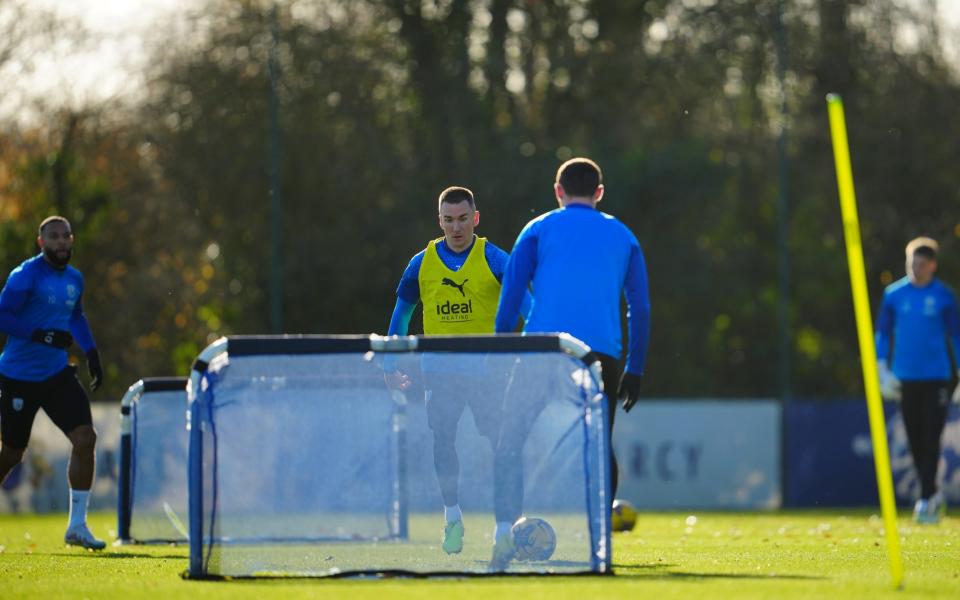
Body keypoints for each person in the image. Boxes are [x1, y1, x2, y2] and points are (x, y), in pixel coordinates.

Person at [490, 157, 650, 570]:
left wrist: (499, 349)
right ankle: (600, 548)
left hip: (543, 349)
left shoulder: (538, 229)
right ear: (599, 193)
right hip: (601, 355)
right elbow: (641, 308)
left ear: (557, 191)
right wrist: (635, 368)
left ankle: (502, 538)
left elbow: (510, 300)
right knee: (598, 445)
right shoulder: (624, 236)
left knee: (509, 442)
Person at [385, 186, 530, 555]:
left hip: (487, 373)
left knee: (501, 444)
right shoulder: (421, 263)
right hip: (440, 372)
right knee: (443, 441)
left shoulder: (496, 259)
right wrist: (390, 365)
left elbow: (531, 308)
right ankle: (452, 518)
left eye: (463, 218)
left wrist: (533, 353)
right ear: (440, 222)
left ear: (475, 219)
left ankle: (504, 529)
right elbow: (400, 318)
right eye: (449, 220)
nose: (456, 227)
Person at [0, 216, 106, 549]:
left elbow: (75, 317)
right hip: (18, 376)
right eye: (53, 237)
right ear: (41, 242)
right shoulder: (25, 276)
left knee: (85, 438)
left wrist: (91, 352)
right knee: (12, 454)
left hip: (57, 374)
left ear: (72, 240)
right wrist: (40, 335)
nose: (60, 242)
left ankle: (77, 526)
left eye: (65, 236)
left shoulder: (75, 278)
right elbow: (3, 315)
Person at [875, 236, 960, 524]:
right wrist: (881, 368)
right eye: (912, 262)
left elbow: (957, 337)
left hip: (937, 377)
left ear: (932, 266)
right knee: (914, 438)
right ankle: (933, 493)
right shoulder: (894, 295)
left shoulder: (944, 296)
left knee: (931, 435)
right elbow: (883, 334)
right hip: (906, 378)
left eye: (922, 264)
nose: (916, 268)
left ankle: (924, 501)